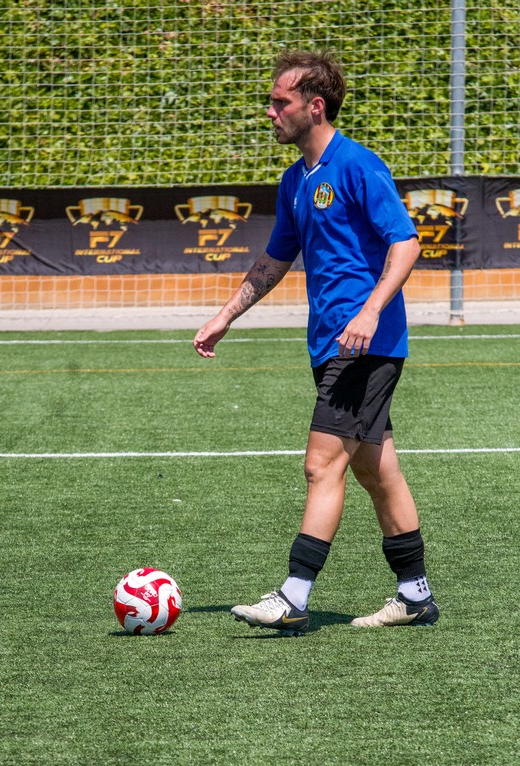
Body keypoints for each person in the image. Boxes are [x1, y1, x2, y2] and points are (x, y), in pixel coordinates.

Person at [193, 49, 438, 634]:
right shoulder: (294, 180)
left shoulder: (358, 165)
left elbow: (406, 243)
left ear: (315, 106)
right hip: (328, 344)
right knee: (377, 470)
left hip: (365, 346)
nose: (270, 111)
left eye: (280, 102)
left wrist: (370, 312)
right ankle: (415, 595)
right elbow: (276, 258)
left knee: (320, 464)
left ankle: (293, 596)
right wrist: (225, 316)